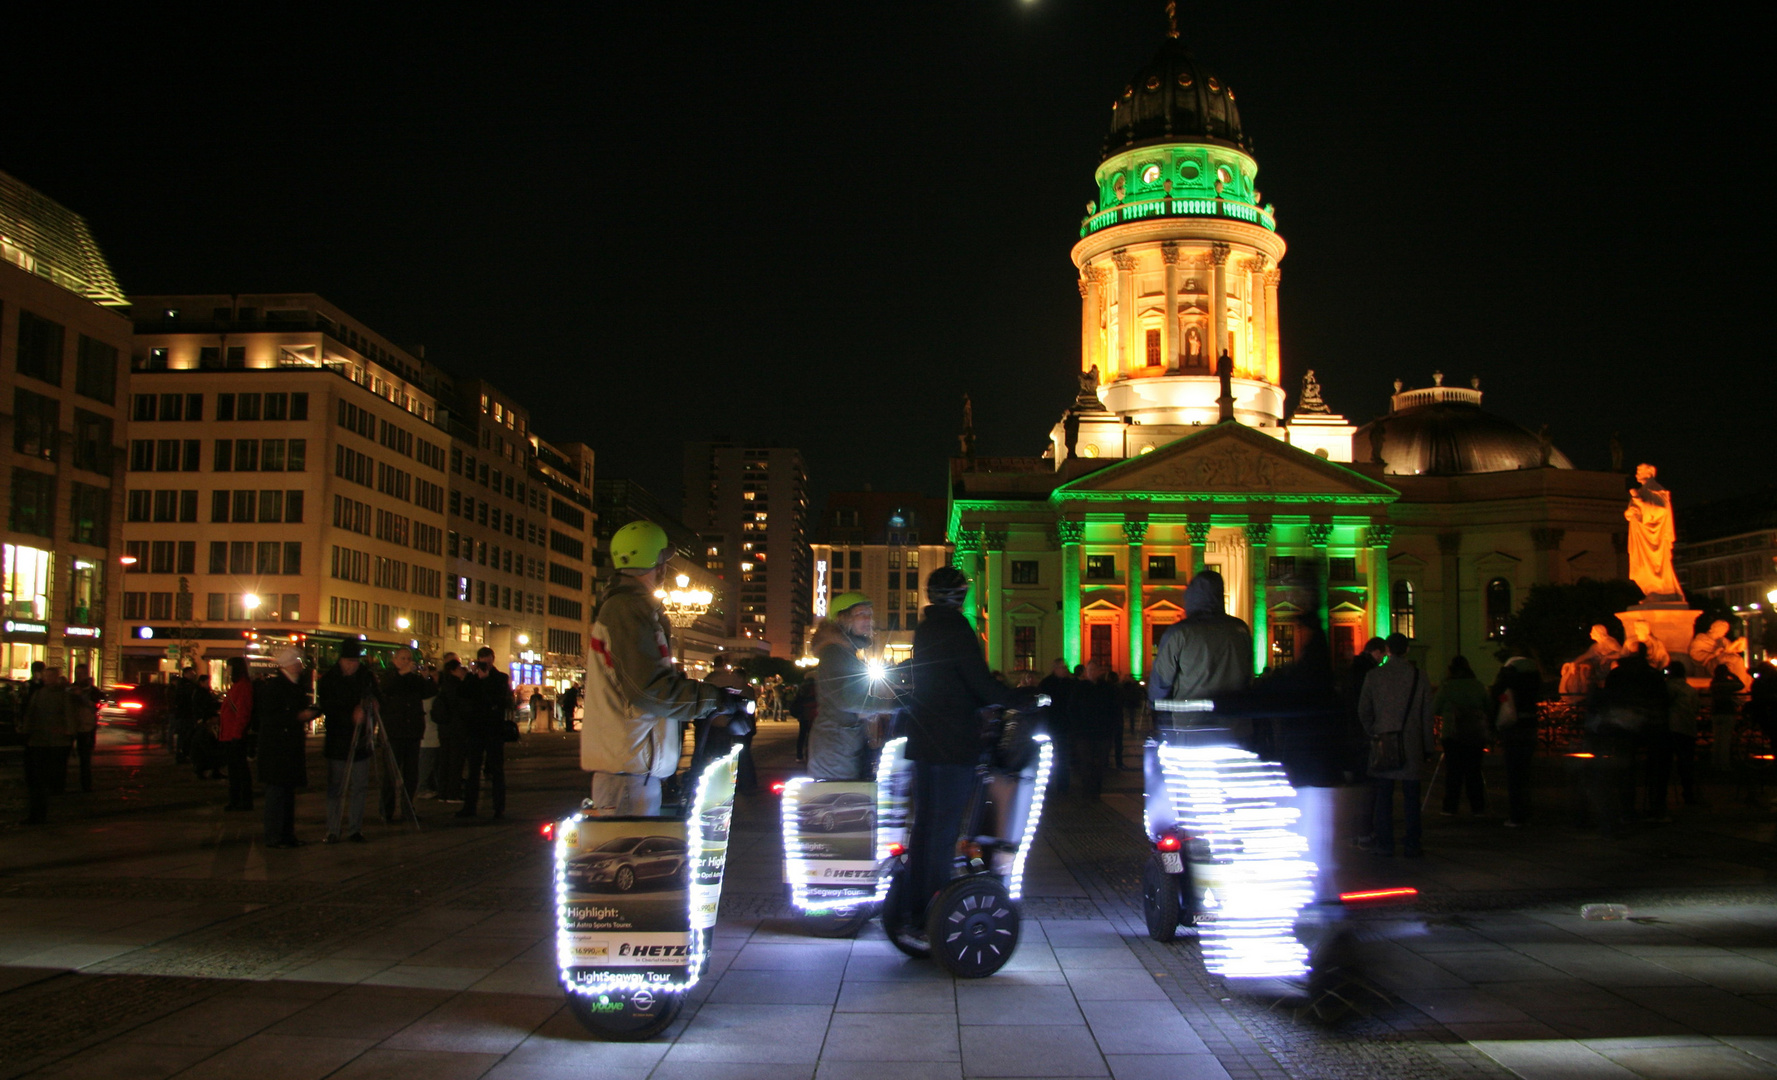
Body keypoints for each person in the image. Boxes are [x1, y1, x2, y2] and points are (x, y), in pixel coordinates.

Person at [579, 521, 742, 816]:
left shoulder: (630, 607)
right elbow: (649, 690)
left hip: (632, 770)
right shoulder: (627, 609)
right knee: (629, 857)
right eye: (664, 561)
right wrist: (713, 700)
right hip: (628, 771)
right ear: (658, 564)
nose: (665, 569)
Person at [900, 565, 1007, 947]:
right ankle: (931, 916)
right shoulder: (958, 628)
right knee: (943, 832)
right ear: (960, 595)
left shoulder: (926, 627)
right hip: (953, 743)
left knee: (926, 828)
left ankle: (914, 913)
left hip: (926, 743)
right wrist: (1020, 699)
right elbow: (977, 682)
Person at [1357, 634, 1434, 856]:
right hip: (1411, 741)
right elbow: (1427, 714)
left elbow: (1364, 710)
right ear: (1407, 650)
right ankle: (1412, 842)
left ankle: (1385, 842)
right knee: (1411, 796)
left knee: (1384, 795)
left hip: (1383, 740)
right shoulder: (1419, 676)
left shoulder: (1374, 675)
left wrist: (1373, 731)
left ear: (1387, 649)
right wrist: (1427, 745)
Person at [808, 593, 896, 780]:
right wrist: (896, 704)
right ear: (843, 618)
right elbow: (850, 702)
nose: (868, 619)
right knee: (840, 804)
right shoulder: (834, 652)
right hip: (835, 752)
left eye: (870, 614)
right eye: (861, 614)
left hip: (841, 746)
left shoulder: (843, 651)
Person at [1149, 571, 1253, 708]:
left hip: (1191, 720)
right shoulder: (1241, 629)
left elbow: (1161, 680)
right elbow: (1248, 675)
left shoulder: (1179, 632)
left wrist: (1154, 702)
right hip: (1234, 718)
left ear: (1191, 596)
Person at [256, 648, 318, 848]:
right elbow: (271, 717)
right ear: (288, 664)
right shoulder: (276, 687)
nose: (300, 665)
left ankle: (286, 834)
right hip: (277, 749)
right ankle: (275, 835)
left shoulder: (294, 685)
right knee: (277, 793)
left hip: (288, 747)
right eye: (297, 661)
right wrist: (298, 717)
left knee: (288, 793)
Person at [319, 640, 379, 843]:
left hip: (360, 739)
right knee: (336, 786)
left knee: (359, 786)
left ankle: (355, 828)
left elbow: (378, 699)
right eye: (348, 661)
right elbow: (328, 706)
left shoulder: (366, 677)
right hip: (338, 739)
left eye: (355, 661)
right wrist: (350, 715)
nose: (351, 665)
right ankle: (333, 829)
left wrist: (372, 707)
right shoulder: (330, 679)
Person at [379, 648, 434, 823]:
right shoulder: (388, 676)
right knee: (391, 773)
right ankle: (386, 811)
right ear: (394, 660)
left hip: (413, 731)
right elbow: (385, 689)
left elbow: (428, 692)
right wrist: (402, 674)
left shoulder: (414, 679)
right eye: (402, 658)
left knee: (411, 774)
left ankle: (408, 808)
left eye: (408, 659)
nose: (406, 662)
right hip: (394, 731)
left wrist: (426, 678)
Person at [458, 646, 513, 820]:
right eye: (481, 659)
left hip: (494, 729)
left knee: (496, 769)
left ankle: (499, 808)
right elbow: (465, 695)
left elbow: (499, 700)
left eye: (486, 659)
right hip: (475, 729)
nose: (484, 663)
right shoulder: (472, 678)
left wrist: (487, 680)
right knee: (473, 769)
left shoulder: (500, 678)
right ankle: (469, 806)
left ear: (492, 659)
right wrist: (472, 677)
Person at [1432, 655, 1491, 816]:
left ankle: (1450, 806)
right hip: (1474, 733)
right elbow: (1488, 706)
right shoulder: (1478, 686)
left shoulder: (1447, 687)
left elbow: (1435, 708)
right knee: (1474, 771)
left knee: (1453, 772)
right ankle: (1477, 806)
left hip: (1452, 733)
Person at [1490, 650, 1542, 827]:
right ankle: (1527, 811)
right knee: (1525, 772)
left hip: (1512, 728)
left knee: (1514, 773)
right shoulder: (1533, 679)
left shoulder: (1508, 679)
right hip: (1530, 726)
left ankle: (1516, 814)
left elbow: (1495, 699)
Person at [19, 666, 73, 825]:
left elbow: (68, 716)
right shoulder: (39, 693)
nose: (47, 679)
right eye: (46, 676)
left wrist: (67, 733)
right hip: (39, 740)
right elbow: (31, 713)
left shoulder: (62, 695)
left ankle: (41, 811)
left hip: (52, 741)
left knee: (42, 778)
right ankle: (38, 811)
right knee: (37, 778)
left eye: (51, 676)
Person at [1071, 660, 1122, 798]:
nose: (1092, 673)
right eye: (1090, 670)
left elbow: (1115, 710)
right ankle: (1087, 790)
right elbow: (1073, 709)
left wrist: (1112, 727)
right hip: (1084, 733)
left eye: (1095, 670)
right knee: (1085, 763)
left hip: (1102, 732)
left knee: (1100, 763)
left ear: (1099, 671)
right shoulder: (1079, 688)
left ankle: (1096, 790)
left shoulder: (1108, 688)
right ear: (1086, 672)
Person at [1661, 661, 1702, 811]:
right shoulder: (1690, 689)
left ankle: (1661, 797)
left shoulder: (1667, 687)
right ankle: (1688, 794)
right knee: (1686, 763)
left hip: (1670, 728)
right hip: (1687, 728)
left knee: (1664, 764)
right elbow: (1696, 708)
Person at [218, 656, 256, 812]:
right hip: (231, 734)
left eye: (229, 667)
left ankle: (240, 800)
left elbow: (243, 713)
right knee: (236, 769)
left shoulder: (242, 687)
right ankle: (238, 799)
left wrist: (236, 734)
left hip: (234, 735)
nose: (227, 670)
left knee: (238, 770)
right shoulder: (239, 686)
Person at [433, 656, 468, 802]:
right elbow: (462, 707)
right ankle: (453, 793)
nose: (462, 671)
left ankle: (442, 793)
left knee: (444, 761)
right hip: (456, 728)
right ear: (454, 670)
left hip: (444, 728)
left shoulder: (444, 685)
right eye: (460, 668)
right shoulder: (457, 686)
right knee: (455, 761)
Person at [1038, 658, 1076, 794]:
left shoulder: (1070, 684)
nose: (1065, 670)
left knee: (1064, 757)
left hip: (1065, 725)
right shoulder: (1046, 684)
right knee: (1048, 758)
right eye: (1062, 667)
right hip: (1050, 725)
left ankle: (1063, 786)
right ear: (1055, 669)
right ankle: (1046, 786)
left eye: (1065, 667)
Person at [68, 663, 102, 794]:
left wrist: (81, 696)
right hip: (72, 726)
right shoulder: (71, 688)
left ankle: (86, 785)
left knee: (85, 758)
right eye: (77, 673)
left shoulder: (92, 690)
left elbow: (95, 705)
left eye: (81, 673)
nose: (79, 676)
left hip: (86, 727)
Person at [1692, 620, 1751, 691]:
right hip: (1712, 663)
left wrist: (1738, 645)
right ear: (1714, 628)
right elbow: (1695, 655)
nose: (1724, 632)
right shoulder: (1700, 640)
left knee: (1736, 659)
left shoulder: (1722, 640)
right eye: (1722, 630)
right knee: (1734, 660)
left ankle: (1742, 685)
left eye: (1725, 631)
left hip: (1724, 660)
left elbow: (1729, 650)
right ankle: (1741, 687)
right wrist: (1713, 654)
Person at [791, 676, 818, 762]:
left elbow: (797, 702)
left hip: (803, 715)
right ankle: (809, 754)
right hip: (813, 715)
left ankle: (799, 755)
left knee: (802, 736)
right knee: (811, 736)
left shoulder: (802, 691)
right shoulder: (816, 690)